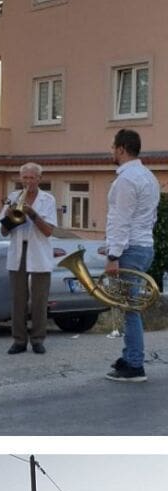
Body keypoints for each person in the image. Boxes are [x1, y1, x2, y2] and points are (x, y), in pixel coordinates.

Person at [103, 128, 160, 382]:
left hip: (130, 250)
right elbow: (151, 217)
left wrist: (114, 255)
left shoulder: (126, 180)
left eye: (113, 147)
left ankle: (135, 364)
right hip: (144, 246)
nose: (111, 151)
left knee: (130, 309)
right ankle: (129, 356)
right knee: (130, 306)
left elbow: (121, 220)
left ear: (121, 149)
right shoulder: (148, 176)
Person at [0, 162, 58, 354]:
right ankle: (19, 340)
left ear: (39, 179)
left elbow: (48, 231)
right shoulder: (13, 197)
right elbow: (3, 232)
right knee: (18, 299)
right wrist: (10, 216)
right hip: (18, 250)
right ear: (20, 178)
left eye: (32, 178)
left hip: (39, 251)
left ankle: (38, 339)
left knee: (40, 299)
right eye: (25, 178)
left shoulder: (47, 199)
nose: (28, 181)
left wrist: (32, 213)